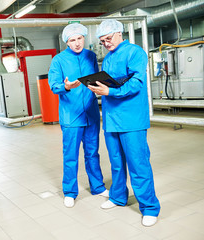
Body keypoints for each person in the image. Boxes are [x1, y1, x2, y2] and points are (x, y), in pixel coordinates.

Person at [88, 19, 161, 227]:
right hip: (111, 119)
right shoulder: (109, 58)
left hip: (131, 119)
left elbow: (137, 83)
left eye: (108, 39)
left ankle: (149, 207)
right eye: (102, 41)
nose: (106, 43)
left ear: (119, 33)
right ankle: (118, 196)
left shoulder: (135, 52)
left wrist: (110, 91)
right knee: (117, 163)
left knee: (138, 164)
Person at [48, 23, 109, 208]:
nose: (77, 43)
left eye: (79, 39)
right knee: (71, 155)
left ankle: (97, 187)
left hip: (90, 113)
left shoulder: (90, 55)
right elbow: (53, 85)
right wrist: (66, 86)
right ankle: (70, 191)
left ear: (84, 38)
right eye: (72, 40)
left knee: (92, 153)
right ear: (67, 42)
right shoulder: (58, 60)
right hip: (71, 115)